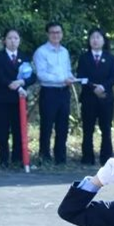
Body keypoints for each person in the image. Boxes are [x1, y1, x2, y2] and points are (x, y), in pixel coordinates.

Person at [33, 21, 75, 164]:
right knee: (47, 126)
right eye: (52, 33)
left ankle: (60, 158)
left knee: (62, 126)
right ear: (48, 34)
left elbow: (68, 70)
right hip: (49, 92)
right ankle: (44, 157)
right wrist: (63, 79)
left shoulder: (64, 52)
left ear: (62, 34)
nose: (55, 35)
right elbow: (41, 75)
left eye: (58, 32)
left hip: (64, 92)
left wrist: (71, 78)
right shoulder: (41, 52)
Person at [0, 28, 36, 167]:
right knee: (3, 130)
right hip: (3, 99)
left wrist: (22, 82)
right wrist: (13, 84)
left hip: (20, 99)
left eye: (16, 38)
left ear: (19, 40)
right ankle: (4, 159)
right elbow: (0, 77)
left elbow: (32, 76)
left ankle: (17, 159)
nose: (13, 41)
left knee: (18, 129)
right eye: (10, 38)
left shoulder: (25, 57)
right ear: (4, 40)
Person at [77, 27, 114, 165]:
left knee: (106, 129)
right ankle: (87, 158)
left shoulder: (110, 58)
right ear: (89, 41)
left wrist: (103, 87)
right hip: (88, 98)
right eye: (92, 38)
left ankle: (106, 158)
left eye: (98, 37)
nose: (95, 40)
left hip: (106, 98)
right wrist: (93, 87)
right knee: (88, 129)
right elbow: (81, 77)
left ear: (103, 40)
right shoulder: (84, 58)